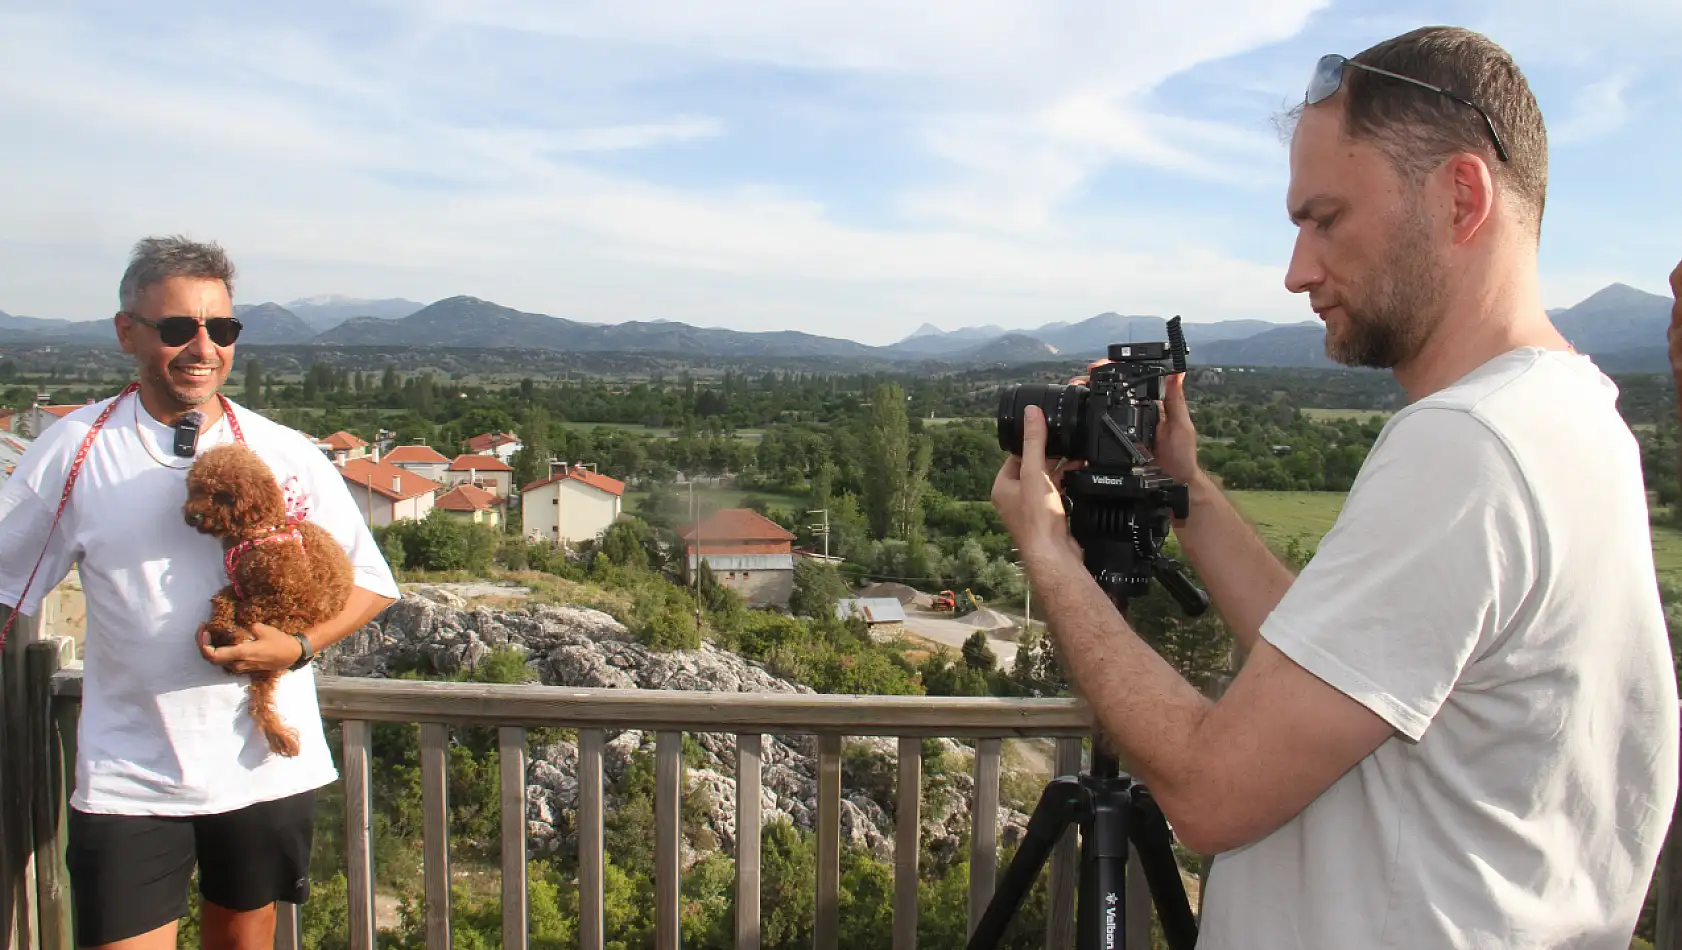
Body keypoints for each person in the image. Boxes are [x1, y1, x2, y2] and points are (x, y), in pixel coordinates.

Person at [991, 26, 1677, 949]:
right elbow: (1330, 655)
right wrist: (1183, 487)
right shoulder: (1574, 418)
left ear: (1461, 196)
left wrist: (1048, 554)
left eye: (1326, 219)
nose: (1296, 271)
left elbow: (1208, 788)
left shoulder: (1468, 445)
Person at [0, 236, 399, 949]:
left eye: (223, 329)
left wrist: (300, 645)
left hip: (261, 768)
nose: (203, 347)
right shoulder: (75, 449)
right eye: (179, 327)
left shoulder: (285, 452)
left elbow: (369, 582)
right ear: (127, 332)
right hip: (130, 776)